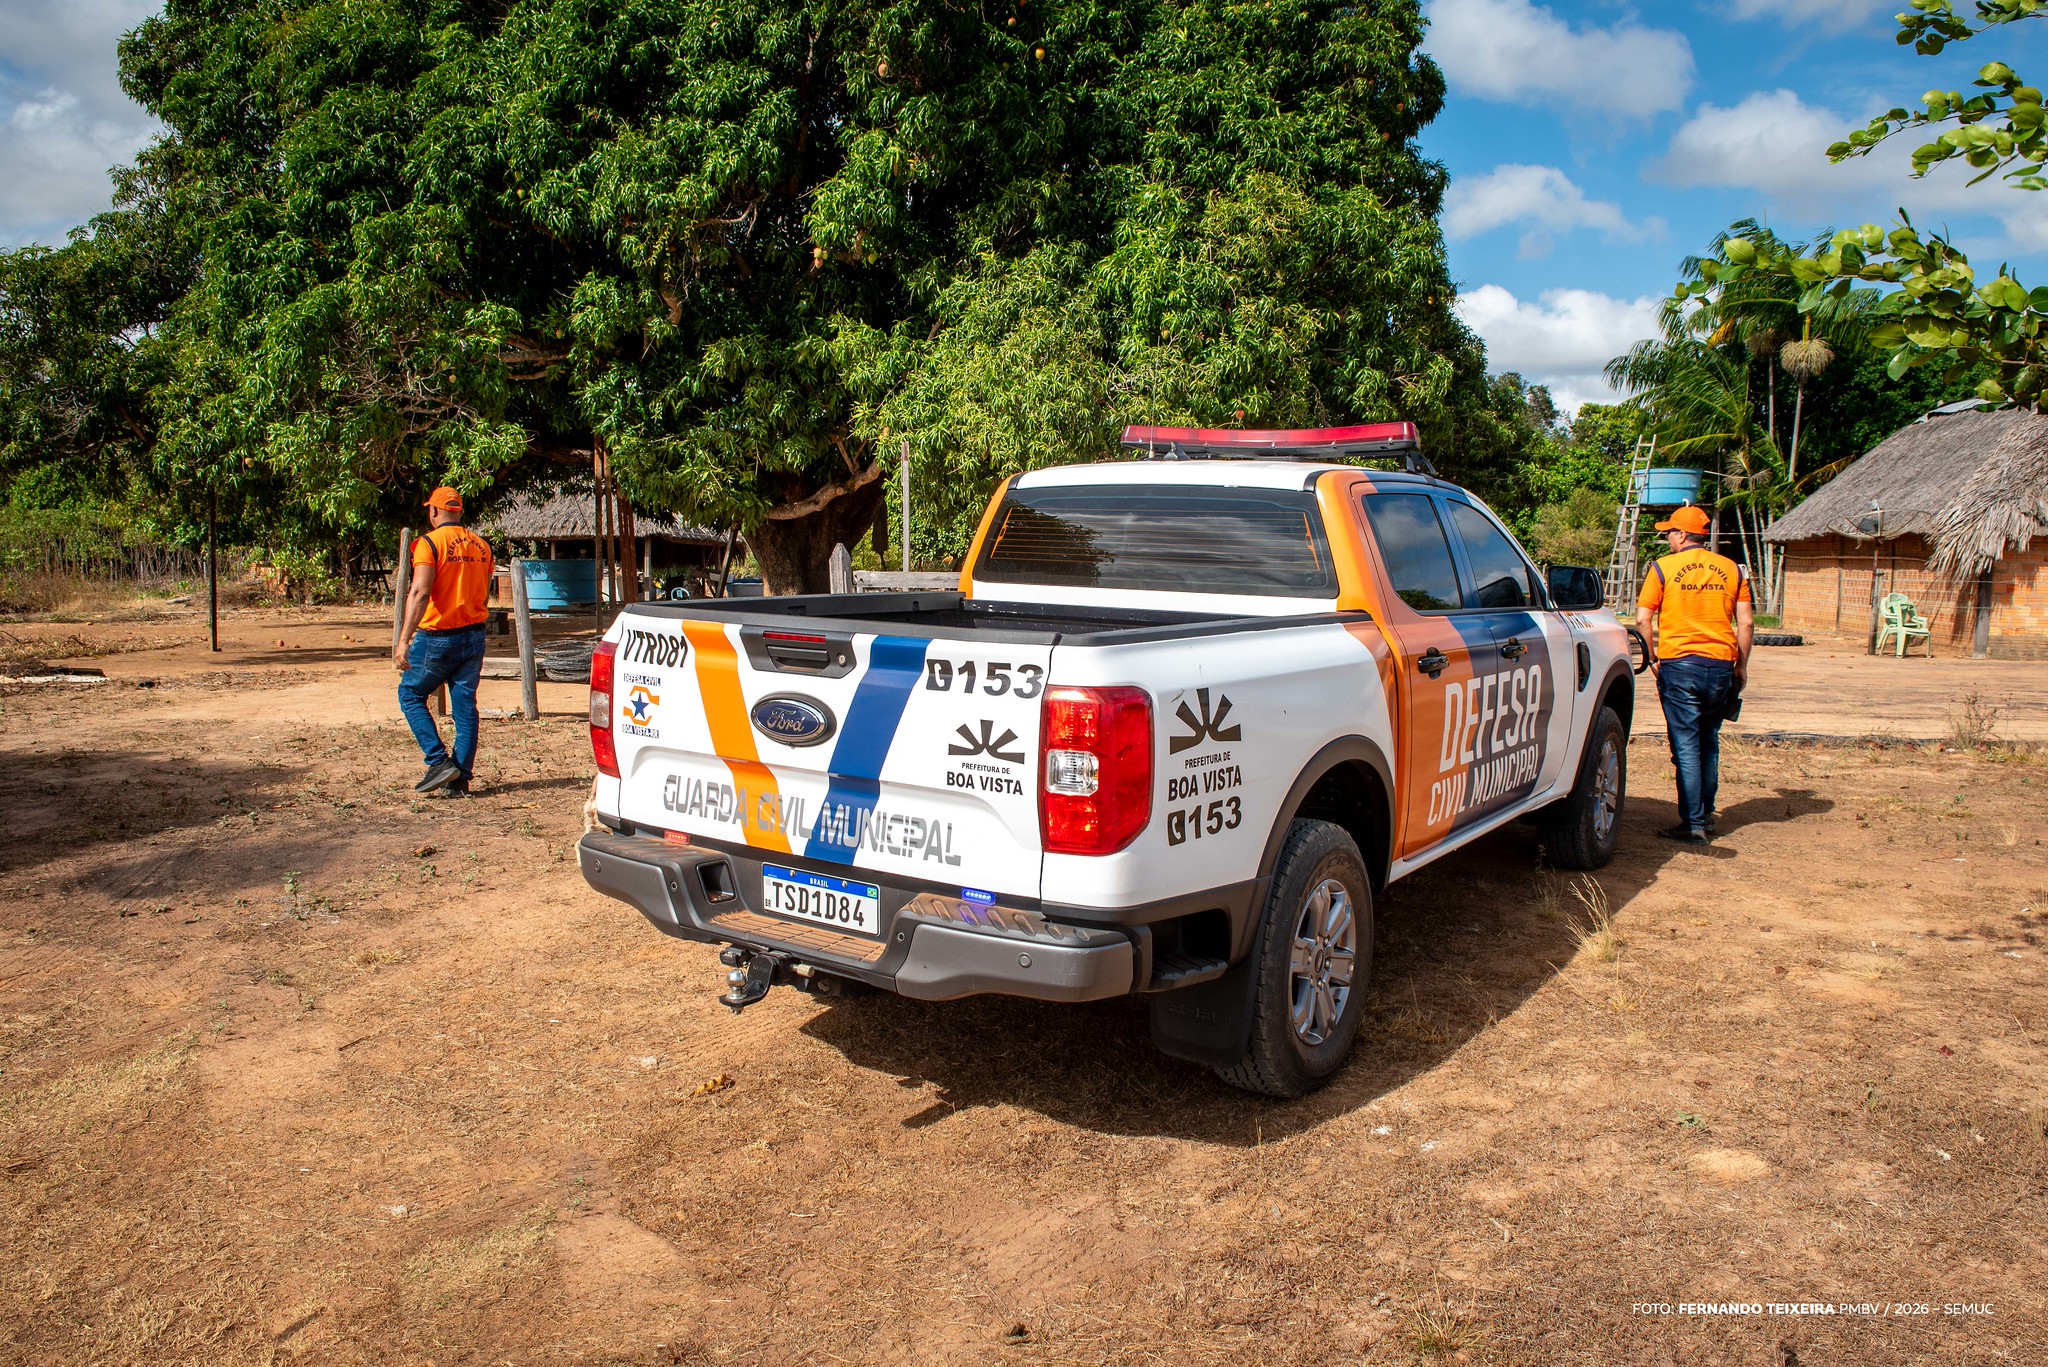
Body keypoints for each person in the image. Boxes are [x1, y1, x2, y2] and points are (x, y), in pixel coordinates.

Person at [1637, 503, 1753, 845]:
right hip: (1720, 666)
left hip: (1679, 665)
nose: (1668, 538)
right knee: (1708, 741)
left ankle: (1694, 824)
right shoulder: (1732, 570)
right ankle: (1706, 814)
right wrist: (1741, 665)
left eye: (1670, 532)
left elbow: (1644, 619)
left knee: (1685, 744)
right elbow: (1745, 622)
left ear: (1683, 534)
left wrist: (1652, 658)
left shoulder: (1663, 569)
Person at [395, 487, 494, 796]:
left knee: (410, 694)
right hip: (474, 635)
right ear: (459, 512)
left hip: (437, 637)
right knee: (465, 709)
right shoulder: (482, 547)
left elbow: (421, 592)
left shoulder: (428, 544)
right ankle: (460, 780)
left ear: (434, 512)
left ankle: (439, 761)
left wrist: (403, 639)